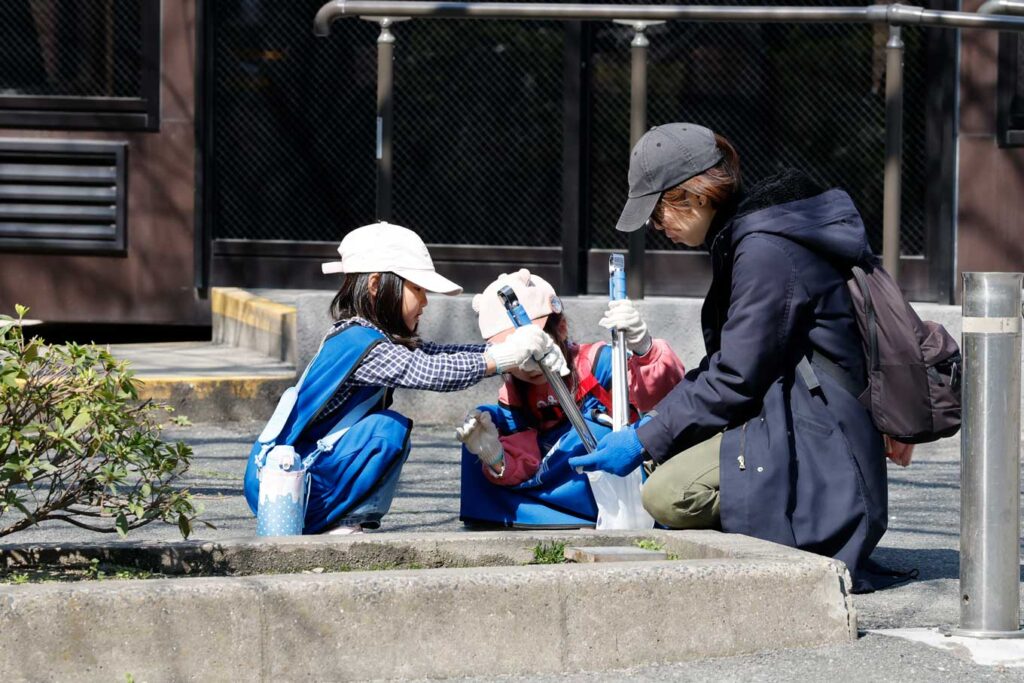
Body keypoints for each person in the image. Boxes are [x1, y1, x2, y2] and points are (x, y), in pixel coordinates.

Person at [568, 123, 912, 592]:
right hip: (797, 414)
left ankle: (778, 544)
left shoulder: (764, 249)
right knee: (660, 452)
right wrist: (651, 432)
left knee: (666, 495)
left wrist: (642, 438)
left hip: (820, 442)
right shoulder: (757, 232)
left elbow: (735, 377)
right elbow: (735, 364)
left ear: (693, 196)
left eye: (656, 212)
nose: (655, 227)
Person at [243, 222, 567, 535]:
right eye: (417, 290)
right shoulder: (362, 346)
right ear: (375, 285)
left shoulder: (368, 337)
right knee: (387, 430)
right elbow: (428, 371)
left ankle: (344, 519)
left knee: (388, 429)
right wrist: (503, 358)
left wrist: (507, 349)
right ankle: (337, 522)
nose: (425, 302)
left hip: (294, 475)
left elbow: (436, 354)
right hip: (285, 481)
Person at [457, 269, 685, 528]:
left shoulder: (597, 361)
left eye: (533, 345)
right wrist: (495, 458)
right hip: (552, 473)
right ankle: (534, 512)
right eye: (515, 351)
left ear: (561, 329)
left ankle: (552, 511)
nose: (525, 363)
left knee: (594, 429)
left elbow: (667, 398)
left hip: (617, 475)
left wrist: (645, 349)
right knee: (483, 421)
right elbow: (526, 457)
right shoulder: (513, 392)